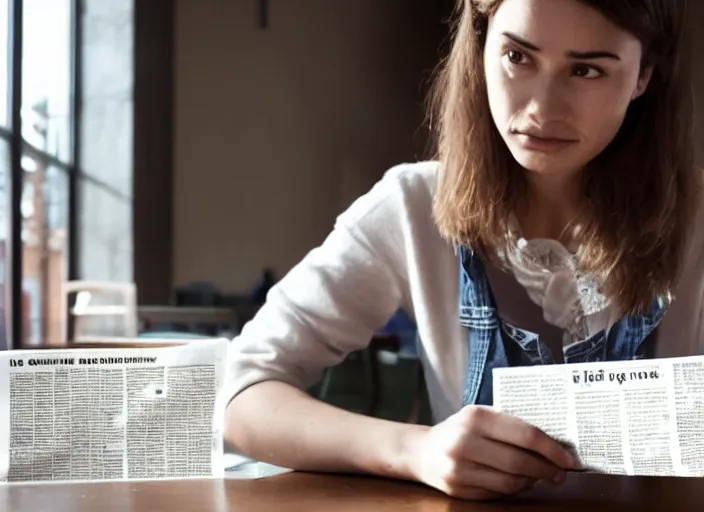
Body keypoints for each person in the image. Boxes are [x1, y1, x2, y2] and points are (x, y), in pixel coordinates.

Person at [223, 0, 701, 501]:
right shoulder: (411, 207)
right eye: (518, 57)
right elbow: (239, 395)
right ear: (481, 42)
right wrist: (416, 450)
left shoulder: (698, 221)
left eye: (585, 70)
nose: (541, 108)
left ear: (644, 73)